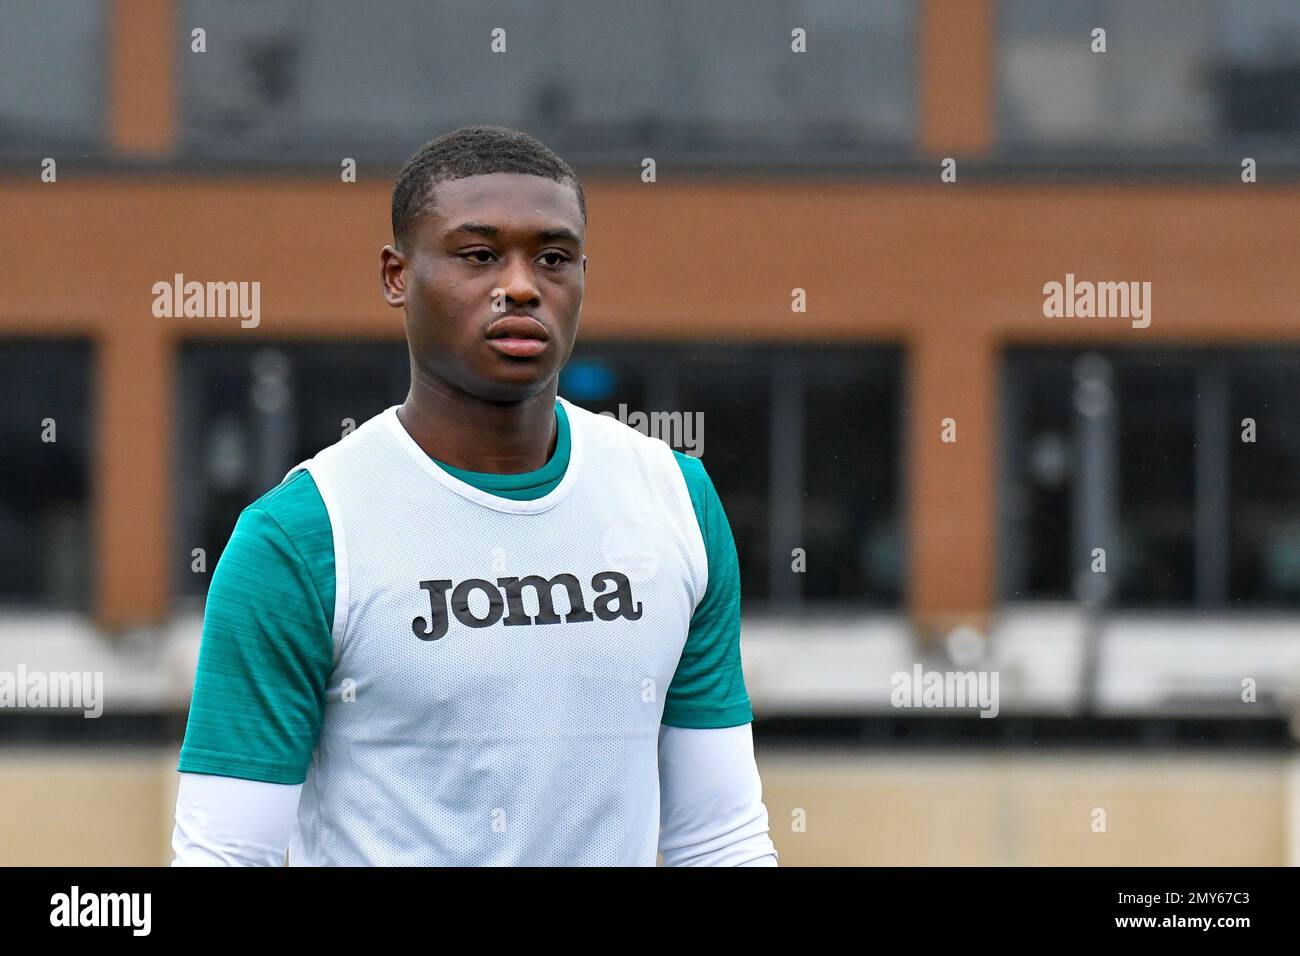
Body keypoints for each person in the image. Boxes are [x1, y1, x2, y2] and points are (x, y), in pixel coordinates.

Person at [171, 125, 777, 866]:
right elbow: (225, 855)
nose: (521, 285)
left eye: (553, 258)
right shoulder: (300, 538)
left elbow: (719, 837)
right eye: (479, 255)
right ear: (397, 275)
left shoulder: (676, 499)